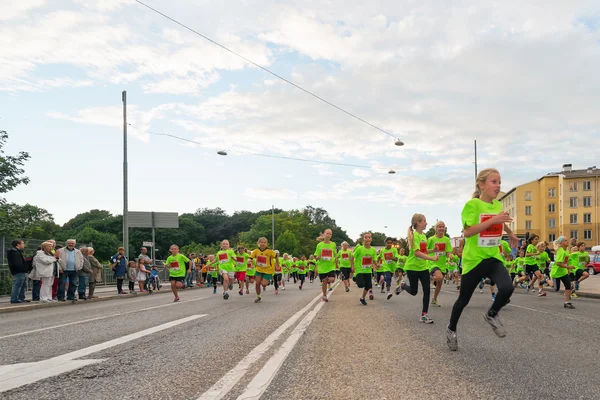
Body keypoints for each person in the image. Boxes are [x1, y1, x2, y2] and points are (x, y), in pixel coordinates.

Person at [446, 168, 518, 351]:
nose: (498, 186)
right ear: (481, 185)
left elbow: (500, 222)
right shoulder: (473, 205)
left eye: (499, 182)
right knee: (463, 300)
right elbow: (469, 232)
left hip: (492, 256)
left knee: (507, 287)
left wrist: (511, 233)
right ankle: (451, 329)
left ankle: (491, 314)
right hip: (474, 260)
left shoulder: (497, 205)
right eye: (494, 182)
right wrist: (493, 220)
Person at [397, 214, 439, 323]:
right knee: (414, 291)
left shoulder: (424, 236)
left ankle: (424, 315)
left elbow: (423, 251)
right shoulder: (414, 236)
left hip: (423, 268)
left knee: (427, 290)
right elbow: (416, 253)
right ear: (418, 223)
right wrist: (431, 258)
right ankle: (403, 285)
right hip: (412, 268)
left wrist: (433, 250)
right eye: (424, 221)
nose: (426, 223)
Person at [428, 222, 453, 307]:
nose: (442, 228)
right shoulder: (431, 239)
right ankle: (429, 277)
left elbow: (448, 252)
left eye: (443, 227)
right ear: (436, 229)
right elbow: (425, 251)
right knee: (439, 277)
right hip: (433, 263)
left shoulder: (446, 240)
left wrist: (450, 255)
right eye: (439, 227)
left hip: (442, 265)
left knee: (439, 283)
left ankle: (434, 299)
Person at [249, 237, 279, 303]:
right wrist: (249, 260)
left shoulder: (270, 251)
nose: (263, 244)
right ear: (258, 243)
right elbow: (251, 257)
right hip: (259, 269)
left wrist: (277, 265)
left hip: (268, 270)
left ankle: (268, 281)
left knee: (264, 284)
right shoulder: (256, 251)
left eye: (264, 243)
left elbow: (276, 257)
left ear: (266, 244)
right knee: (257, 283)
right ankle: (258, 296)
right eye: (261, 242)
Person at [353, 232, 378, 305]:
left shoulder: (373, 250)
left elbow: (374, 260)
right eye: (366, 237)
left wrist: (377, 265)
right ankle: (356, 278)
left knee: (368, 286)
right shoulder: (359, 249)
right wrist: (352, 266)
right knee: (361, 284)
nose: (368, 238)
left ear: (371, 239)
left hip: (368, 270)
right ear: (363, 239)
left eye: (369, 237)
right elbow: (352, 257)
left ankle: (362, 298)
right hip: (360, 270)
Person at [314, 229, 337, 302]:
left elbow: (335, 253)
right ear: (324, 234)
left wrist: (336, 259)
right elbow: (316, 257)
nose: (329, 235)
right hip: (322, 266)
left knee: (332, 279)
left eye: (330, 234)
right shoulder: (319, 245)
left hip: (330, 266)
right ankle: (324, 295)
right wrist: (319, 256)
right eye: (327, 233)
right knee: (324, 283)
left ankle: (326, 280)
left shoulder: (333, 244)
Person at [7, 239, 30, 304]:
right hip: (19, 271)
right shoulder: (15, 252)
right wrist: (23, 268)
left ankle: (21, 298)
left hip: (21, 271)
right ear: (18, 244)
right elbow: (17, 263)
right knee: (17, 285)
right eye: (22, 243)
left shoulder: (18, 252)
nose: (23, 245)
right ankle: (15, 299)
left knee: (22, 285)